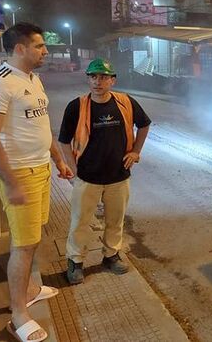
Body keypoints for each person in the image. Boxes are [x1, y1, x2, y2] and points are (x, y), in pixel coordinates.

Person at [0, 22, 73, 342]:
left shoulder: (33, 79)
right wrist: (11, 182)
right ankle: (18, 314)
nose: (45, 51)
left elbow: (42, 125)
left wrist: (59, 160)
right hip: (19, 174)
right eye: (39, 46)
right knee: (22, 246)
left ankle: (31, 290)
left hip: (40, 170)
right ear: (20, 48)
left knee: (32, 238)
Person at [58, 58, 151, 285]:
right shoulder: (77, 106)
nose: (97, 82)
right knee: (80, 221)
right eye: (93, 77)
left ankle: (111, 256)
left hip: (119, 177)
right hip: (88, 177)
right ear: (88, 79)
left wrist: (136, 152)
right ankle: (75, 262)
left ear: (112, 80)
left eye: (103, 77)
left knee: (115, 220)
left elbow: (144, 124)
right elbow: (63, 141)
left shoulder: (125, 103)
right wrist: (74, 169)